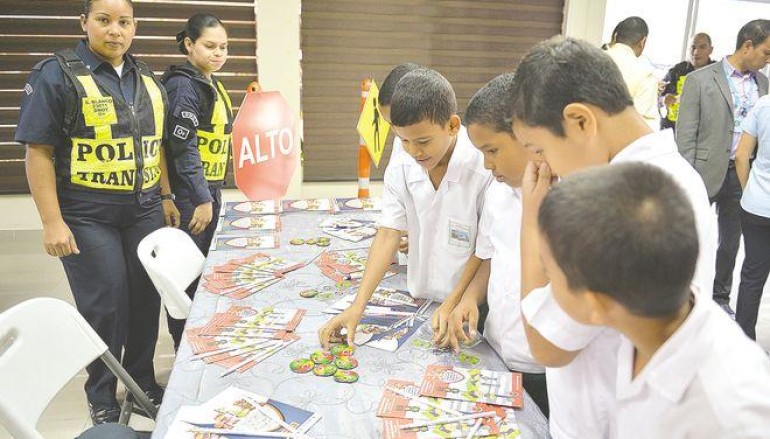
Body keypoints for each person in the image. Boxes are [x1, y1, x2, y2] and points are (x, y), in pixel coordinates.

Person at [508, 36, 716, 439]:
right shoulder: (675, 175)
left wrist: (532, 218)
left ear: (581, 121)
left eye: (540, 149)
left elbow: (546, 343)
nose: (540, 167)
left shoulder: (619, 201)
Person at [15, 0, 170, 424]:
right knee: (107, 304)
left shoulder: (146, 77)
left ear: (135, 27)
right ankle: (101, 393)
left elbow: (156, 147)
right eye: (104, 20)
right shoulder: (56, 74)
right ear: (84, 23)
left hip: (143, 209)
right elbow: (38, 152)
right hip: (87, 214)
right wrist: (52, 222)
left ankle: (140, 384)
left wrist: (167, 197)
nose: (114, 30)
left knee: (144, 299)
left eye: (124, 22)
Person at [537, 162, 770, 438]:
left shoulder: (730, 414)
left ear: (595, 304)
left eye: (549, 275)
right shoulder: (641, 322)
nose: (547, 288)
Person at [317, 68, 492, 349]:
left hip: (467, 305)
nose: (414, 151)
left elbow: (484, 250)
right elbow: (388, 234)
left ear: (452, 125)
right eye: (404, 141)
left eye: (422, 141)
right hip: (420, 300)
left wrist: (454, 302)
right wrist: (357, 306)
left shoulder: (483, 169)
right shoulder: (403, 164)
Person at [430, 73, 549, 416]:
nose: (486, 164)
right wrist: (469, 297)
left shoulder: (564, 203)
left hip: (545, 368)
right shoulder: (498, 192)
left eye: (493, 150)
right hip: (498, 350)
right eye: (481, 152)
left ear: (528, 137)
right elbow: (489, 257)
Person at [677, 19, 770, 314]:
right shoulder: (701, 79)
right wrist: (687, 177)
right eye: (766, 53)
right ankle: (680, 298)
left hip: (743, 175)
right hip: (703, 173)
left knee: (730, 242)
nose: (768, 60)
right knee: (689, 239)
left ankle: (719, 298)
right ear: (747, 46)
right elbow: (685, 136)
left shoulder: (763, 84)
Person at [160, 13, 233, 350]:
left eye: (223, 47)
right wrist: (202, 199)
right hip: (193, 196)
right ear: (189, 45)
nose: (218, 53)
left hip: (209, 190)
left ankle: (202, 339)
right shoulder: (184, 85)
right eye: (210, 46)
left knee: (206, 271)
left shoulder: (209, 82)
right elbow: (182, 147)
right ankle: (184, 348)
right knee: (187, 278)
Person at [735, 94, 770, 339]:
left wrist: (749, 190)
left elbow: (741, 155)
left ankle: (743, 341)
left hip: (757, 205)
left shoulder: (764, 104)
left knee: (752, 276)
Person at [604, 16, 660, 129]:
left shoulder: (588, 59)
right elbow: (644, 126)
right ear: (642, 41)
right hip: (615, 142)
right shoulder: (645, 75)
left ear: (615, 36)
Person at [660, 33, 715, 131]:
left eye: (702, 47)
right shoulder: (676, 71)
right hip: (674, 129)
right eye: (693, 47)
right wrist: (664, 100)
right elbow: (659, 96)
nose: (696, 52)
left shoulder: (718, 73)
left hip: (704, 132)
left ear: (711, 50)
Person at [378, 62, 420, 163]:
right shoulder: (400, 141)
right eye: (390, 124)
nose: (396, 131)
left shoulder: (464, 147)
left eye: (399, 123)